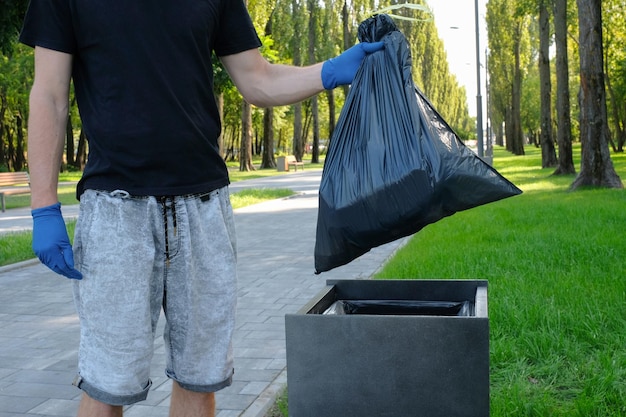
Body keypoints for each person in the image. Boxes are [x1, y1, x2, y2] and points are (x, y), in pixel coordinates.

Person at [20, 0, 383, 416]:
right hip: (116, 216)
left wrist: (331, 70)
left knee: (200, 379)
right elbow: (48, 94)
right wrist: (43, 206)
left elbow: (257, 78)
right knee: (107, 384)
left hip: (203, 209)